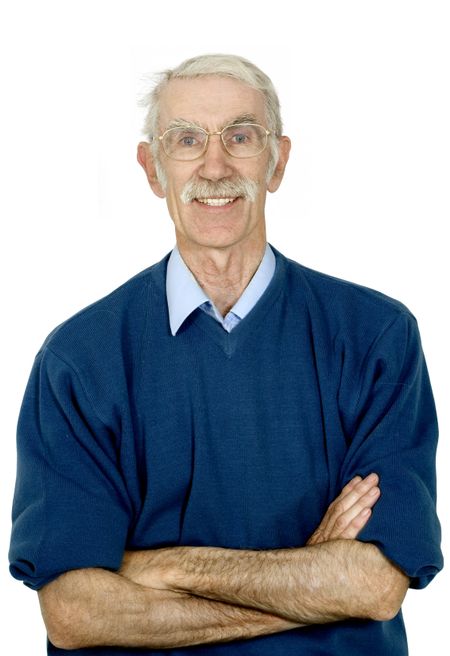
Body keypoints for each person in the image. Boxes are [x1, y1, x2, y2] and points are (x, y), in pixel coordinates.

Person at [9, 53, 442, 655]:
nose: (215, 165)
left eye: (241, 136)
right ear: (153, 170)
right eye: (186, 140)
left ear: (278, 160)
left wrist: (161, 570)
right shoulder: (80, 360)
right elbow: (76, 613)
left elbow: (372, 586)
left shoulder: (376, 338)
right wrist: (308, 580)